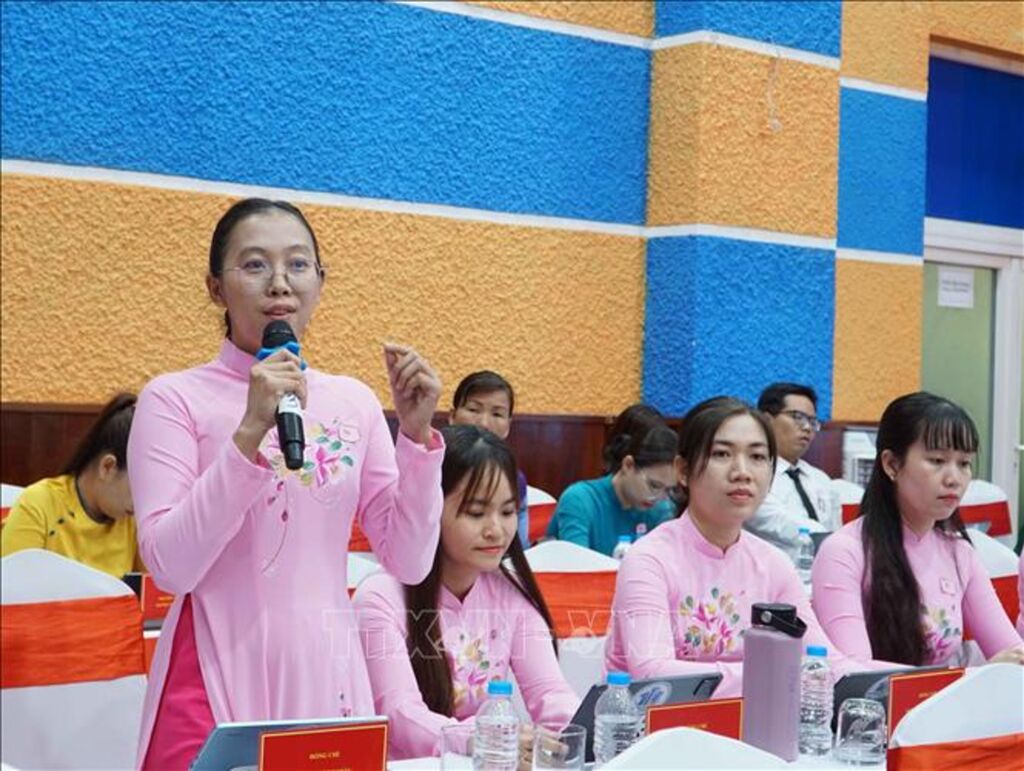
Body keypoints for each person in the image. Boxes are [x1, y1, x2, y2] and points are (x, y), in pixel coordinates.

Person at [128, 198, 445, 769]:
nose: (280, 282)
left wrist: (417, 439)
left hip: (327, 674)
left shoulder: (352, 401)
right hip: (212, 673)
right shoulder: (173, 399)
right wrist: (249, 431)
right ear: (215, 288)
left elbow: (409, 561)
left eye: (298, 264)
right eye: (254, 265)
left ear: (320, 282)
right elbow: (171, 567)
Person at [355, 424, 578, 762]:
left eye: (507, 512)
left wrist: (577, 730)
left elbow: (551, 694)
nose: (496, 530)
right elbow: (400, 715)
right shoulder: (380, 598)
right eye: (476, 513)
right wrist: (480, 738)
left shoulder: (509, 594)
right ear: (429, 509)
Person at [604, 396, 846, 697]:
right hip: (658, 724)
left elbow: (824, 659)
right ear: (683, 470)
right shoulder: (649, 560)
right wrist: (777, 672)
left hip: (756, 721)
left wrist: (896, 679)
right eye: (721, 454)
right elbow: (653, 673)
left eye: (757, 456)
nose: (742, 472)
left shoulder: (773, 563)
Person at [812, 392, 1024, 667]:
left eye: (964, 463)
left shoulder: (960, 554)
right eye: (937, 460)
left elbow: (1011, 653)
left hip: (950, 695)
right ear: (891, 464)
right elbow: (854, 672)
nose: (954, 479)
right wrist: (972, 675)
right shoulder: (844, 552)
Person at [2, 393, 141, 576]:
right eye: (140, 487)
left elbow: (156, 588)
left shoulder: (134, 523)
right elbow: (11, 583)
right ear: (107, 467)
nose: (143, 502)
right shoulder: (40, 505)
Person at [545, 404, 676, 556]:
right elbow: (576, 566)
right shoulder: (580, 500)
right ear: (628, 465)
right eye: (654, 486)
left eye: (668, 489)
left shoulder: (661, 509)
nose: (659, 497)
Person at [747, 383, 835, 554]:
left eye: (812, 421)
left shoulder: (821, 479)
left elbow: (836, 530)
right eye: (797, 417)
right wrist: (828, 539)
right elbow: (773, 520)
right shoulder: (750, 473)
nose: (807, 427)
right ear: (766, 420)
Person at [449, 370, 528, 548]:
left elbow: (519, 549)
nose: (484, 423)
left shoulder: (515, 480)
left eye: (497, 414)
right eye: (473, 410)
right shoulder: (429, 469)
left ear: (508, 426)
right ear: (452, 417)